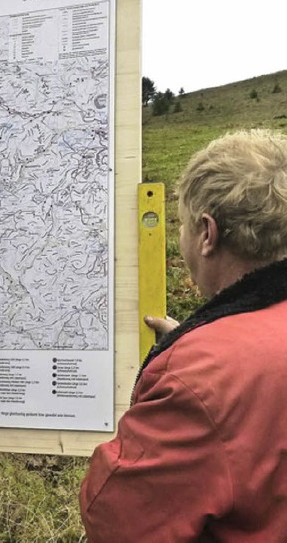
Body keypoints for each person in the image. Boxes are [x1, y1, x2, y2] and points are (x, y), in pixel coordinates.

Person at [80, 129, 287, 541]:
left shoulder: (197, 379)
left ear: (208, 234)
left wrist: (188, 362)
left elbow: (117, 518)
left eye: (182, 225)